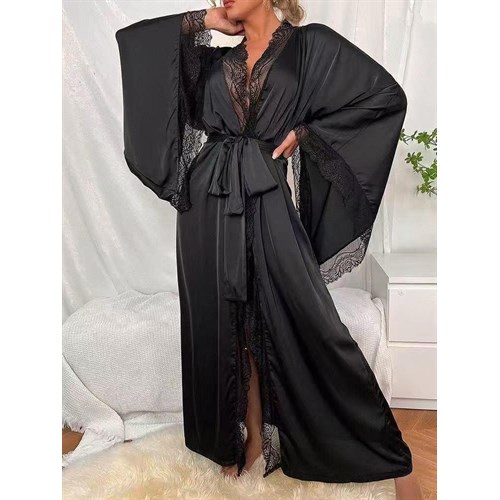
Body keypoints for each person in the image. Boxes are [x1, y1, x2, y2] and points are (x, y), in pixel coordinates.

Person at [115, 1, 422, 498]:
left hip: (266, 193)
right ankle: (245, 438)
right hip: (207, 201)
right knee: (223, 321)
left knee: (309, 318)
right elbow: (138, 46)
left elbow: (383, 97)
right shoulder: (218, 59)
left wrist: (308, 133)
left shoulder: (310, 45)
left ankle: (384, 453)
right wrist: (202, 22)